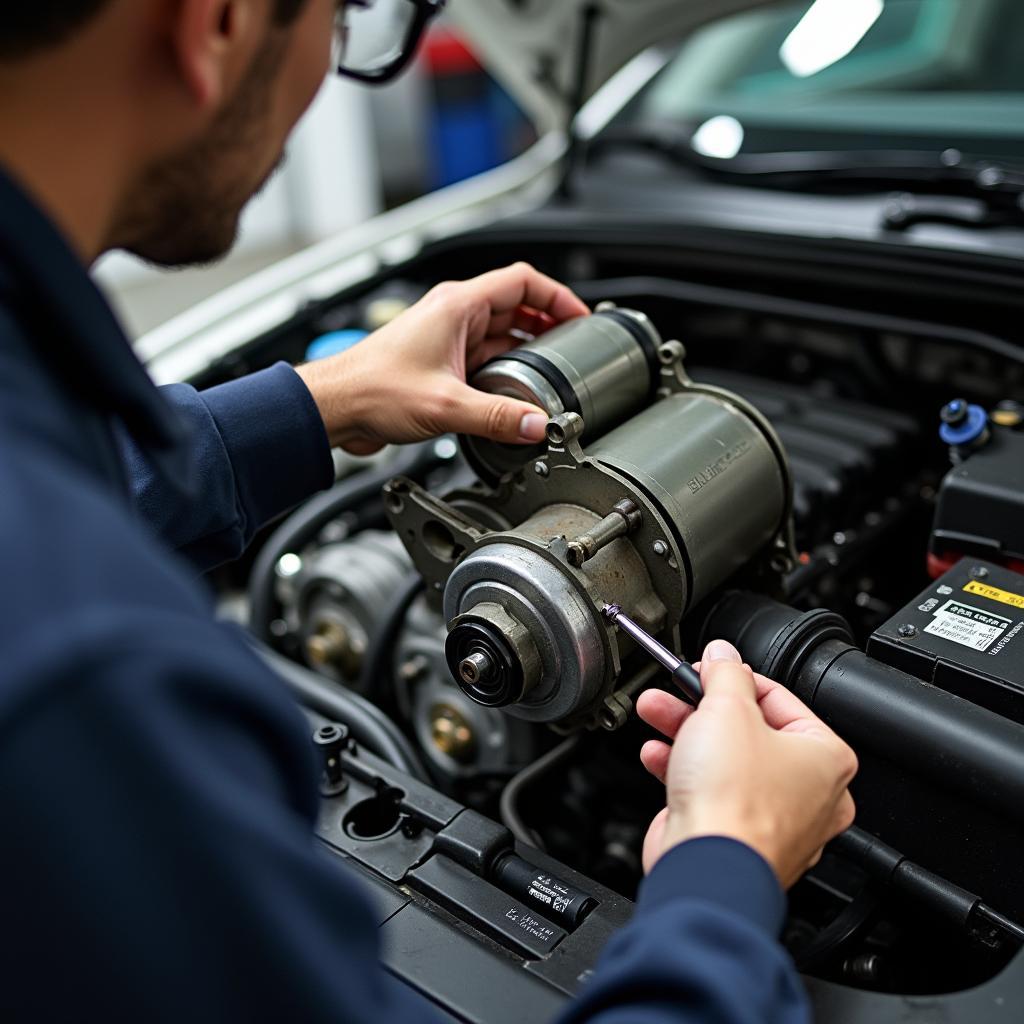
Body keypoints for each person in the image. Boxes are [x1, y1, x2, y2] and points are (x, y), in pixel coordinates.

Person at [0, 2, 858, 1020]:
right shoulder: (80, 677)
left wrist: (318, 404)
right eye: (350, 16)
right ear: (215, 24)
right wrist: (729, 867)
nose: (333, 63)